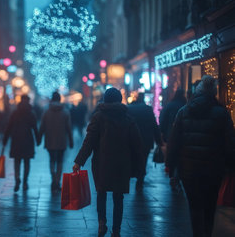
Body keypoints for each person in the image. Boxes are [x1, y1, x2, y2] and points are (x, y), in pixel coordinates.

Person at [167, 75, 235, 237]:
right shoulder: (222, 113)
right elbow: (230, 143)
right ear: (214, 92)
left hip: (189, 169)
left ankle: (198, 234)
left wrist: (171, 166)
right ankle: (207, 232)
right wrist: (230, 165)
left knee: (195, 206)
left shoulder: (184, 112)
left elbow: (174, 142)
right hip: (214, 169)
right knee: (210, 206)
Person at [73, 88, 143, 237]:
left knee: (101, 193)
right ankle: (116, 230)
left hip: (102, 163)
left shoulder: (98, 117)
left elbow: (89, 142)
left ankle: (101, 223)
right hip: (122, 165)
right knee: (118, 197)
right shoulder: (128, 118)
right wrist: (139, 168)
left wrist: (79, 161)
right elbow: (137, 144)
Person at [3, 95, 40, 192]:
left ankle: (17, 179)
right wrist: (38, 140)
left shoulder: (15, 113)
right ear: (28, 101)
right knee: (27, 162)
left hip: (16, 140)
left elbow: (8, 127)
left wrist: (5, 140)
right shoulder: (31, 113)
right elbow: (35, 128)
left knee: (17, 161)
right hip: (28, 140)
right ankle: (25, 182)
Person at [127, 92, 163, 191]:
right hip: (146, 139)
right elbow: (154, 125)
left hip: (132, 139)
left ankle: (132, 174)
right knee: (143, 159)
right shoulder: (147, 109)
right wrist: (159, 140)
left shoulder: (129, 108)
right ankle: (140, 179)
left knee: (133, 157)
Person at [39, 91, 74, 191]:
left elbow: (42, 126)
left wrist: (39, 138)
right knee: (59, 161)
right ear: (59, 99)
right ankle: (57, 181)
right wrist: (71, 141)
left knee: (52, 160)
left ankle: (53, 178)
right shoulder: (65, 111)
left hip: (49, 140)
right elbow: (69, 128)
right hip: (61, 141)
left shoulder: (46, 111)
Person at [159, 89, 187, 175]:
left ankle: (171, 170)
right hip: (183, 134)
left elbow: (162, 119)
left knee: (171, 152)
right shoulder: (185, 105)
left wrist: (162, 132)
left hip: (170, 133)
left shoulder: (169, 105)